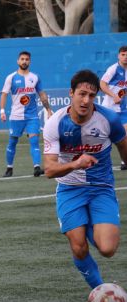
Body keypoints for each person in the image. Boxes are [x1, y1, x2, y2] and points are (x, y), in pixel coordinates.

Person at [43, 69, 127, 290]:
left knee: (107, 249)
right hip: (70, 189)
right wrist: (75, 164)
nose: (86, 100)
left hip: (101, 188)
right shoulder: (56, 123)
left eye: (91, 96)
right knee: (79, 246)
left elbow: (124, 147)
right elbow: (50, 170)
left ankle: (91, 225)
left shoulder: (109, 119)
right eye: (81, 94)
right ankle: (100, 292)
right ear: (71, 93)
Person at [0, 51, 53, 177]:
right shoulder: (11, 77)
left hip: (32, 116)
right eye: (22, 59)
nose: (24, 61)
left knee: (34, 141)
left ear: (30, 61)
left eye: (27, 59)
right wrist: (2, 111)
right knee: (12, 142)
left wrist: (48, 110)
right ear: (18, 61)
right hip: (16, 117)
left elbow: (42, 95)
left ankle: (36, 167)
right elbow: (4, 94)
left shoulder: (35, 77)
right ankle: (9, 168)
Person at [99, 45, 127, 170]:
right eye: (123, 54)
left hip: (123, 110)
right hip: (109, 109)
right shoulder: (113, 69)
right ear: (118, 56)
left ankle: (124, 161)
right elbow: (102, 84)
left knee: (125, 136)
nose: (125, 57)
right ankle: (99, 160)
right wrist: (113, 95)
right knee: (104, 136)